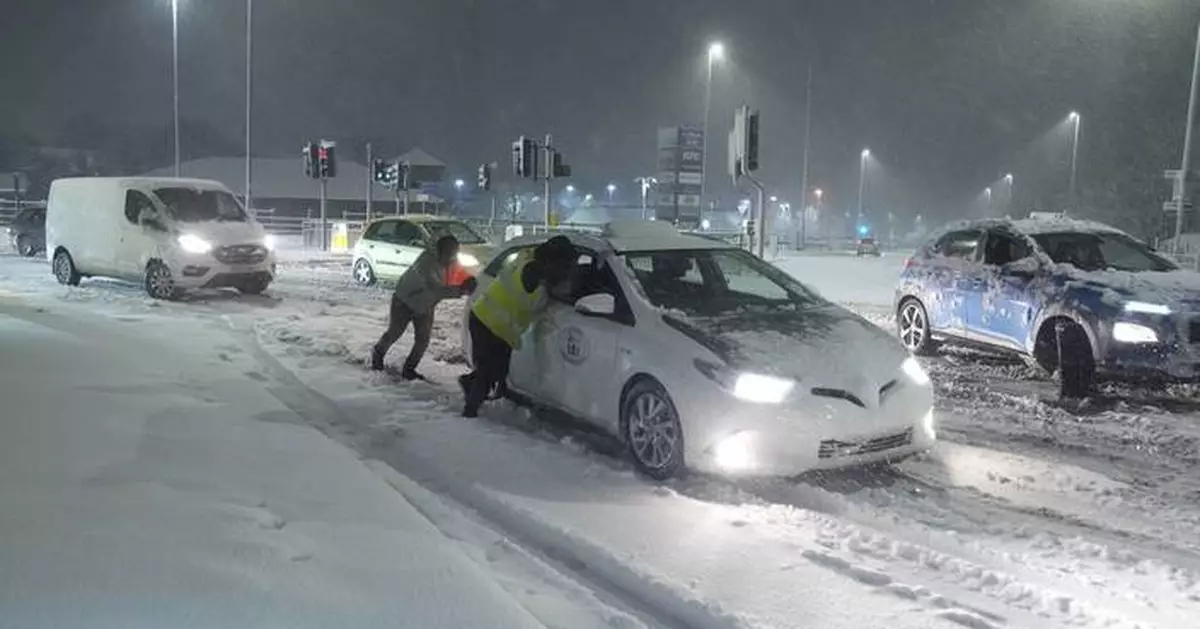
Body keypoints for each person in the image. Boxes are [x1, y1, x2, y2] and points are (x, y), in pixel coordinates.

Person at [459, 235, 575, 417]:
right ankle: (470, 411)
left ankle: (468, 383)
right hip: (487, 322)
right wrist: (551, 288)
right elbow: (533, 302)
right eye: (565, 264)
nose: (567, 269)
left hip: (497, 325)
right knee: (487, 372)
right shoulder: (534, 273)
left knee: (498, 370)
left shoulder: (530, 261)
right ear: (554, 260)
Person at [371, 235, 477, 380]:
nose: (450, 259)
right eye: (447, 255)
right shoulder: (425, 262)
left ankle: (409, 370)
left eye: (452, 255)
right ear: (440, 251)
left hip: (426, 305)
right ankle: (378, 354)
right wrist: (460, 290)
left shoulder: (451, 261)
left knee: (423, 340)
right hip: (405, 301)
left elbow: (458, 273)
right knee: (395, 332)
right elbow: (434, 288)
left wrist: (468, 280)